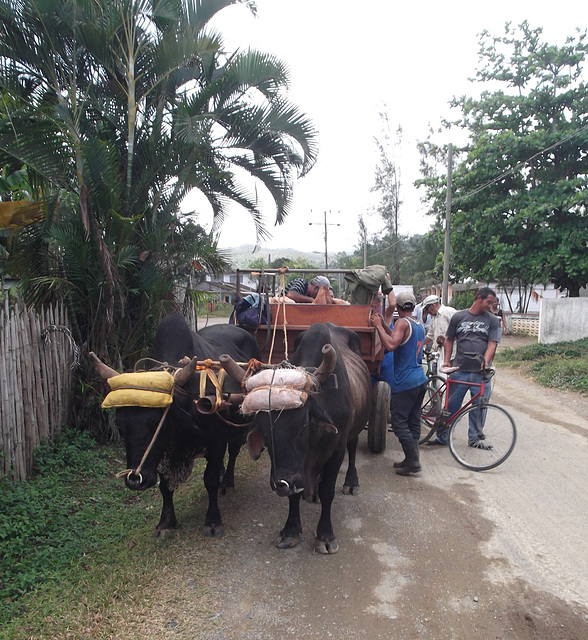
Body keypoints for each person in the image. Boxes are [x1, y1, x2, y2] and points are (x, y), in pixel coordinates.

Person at [428, 287, 500, 447]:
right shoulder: (459, 317)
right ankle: (442, 436)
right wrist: (446, 360)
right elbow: (449, 339)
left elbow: (492, 344)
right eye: (489, 302)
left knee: (479, 406)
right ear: (479, 298)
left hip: (481, 373)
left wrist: (486, 363)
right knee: (451, 406)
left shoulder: (492, 321)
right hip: (460, 370)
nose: (490, 306)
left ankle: (474, 439)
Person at [371, 291, 427, 475]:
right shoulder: (418, 324)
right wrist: (386, 327)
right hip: (420, 378)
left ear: (400, 308)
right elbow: (397, 337)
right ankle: (410, 458)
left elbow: (392, 345)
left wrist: (379, 326)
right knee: (413, 421)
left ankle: (414, 462)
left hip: (406, 382)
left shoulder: (402, 323)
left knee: (398, 421)